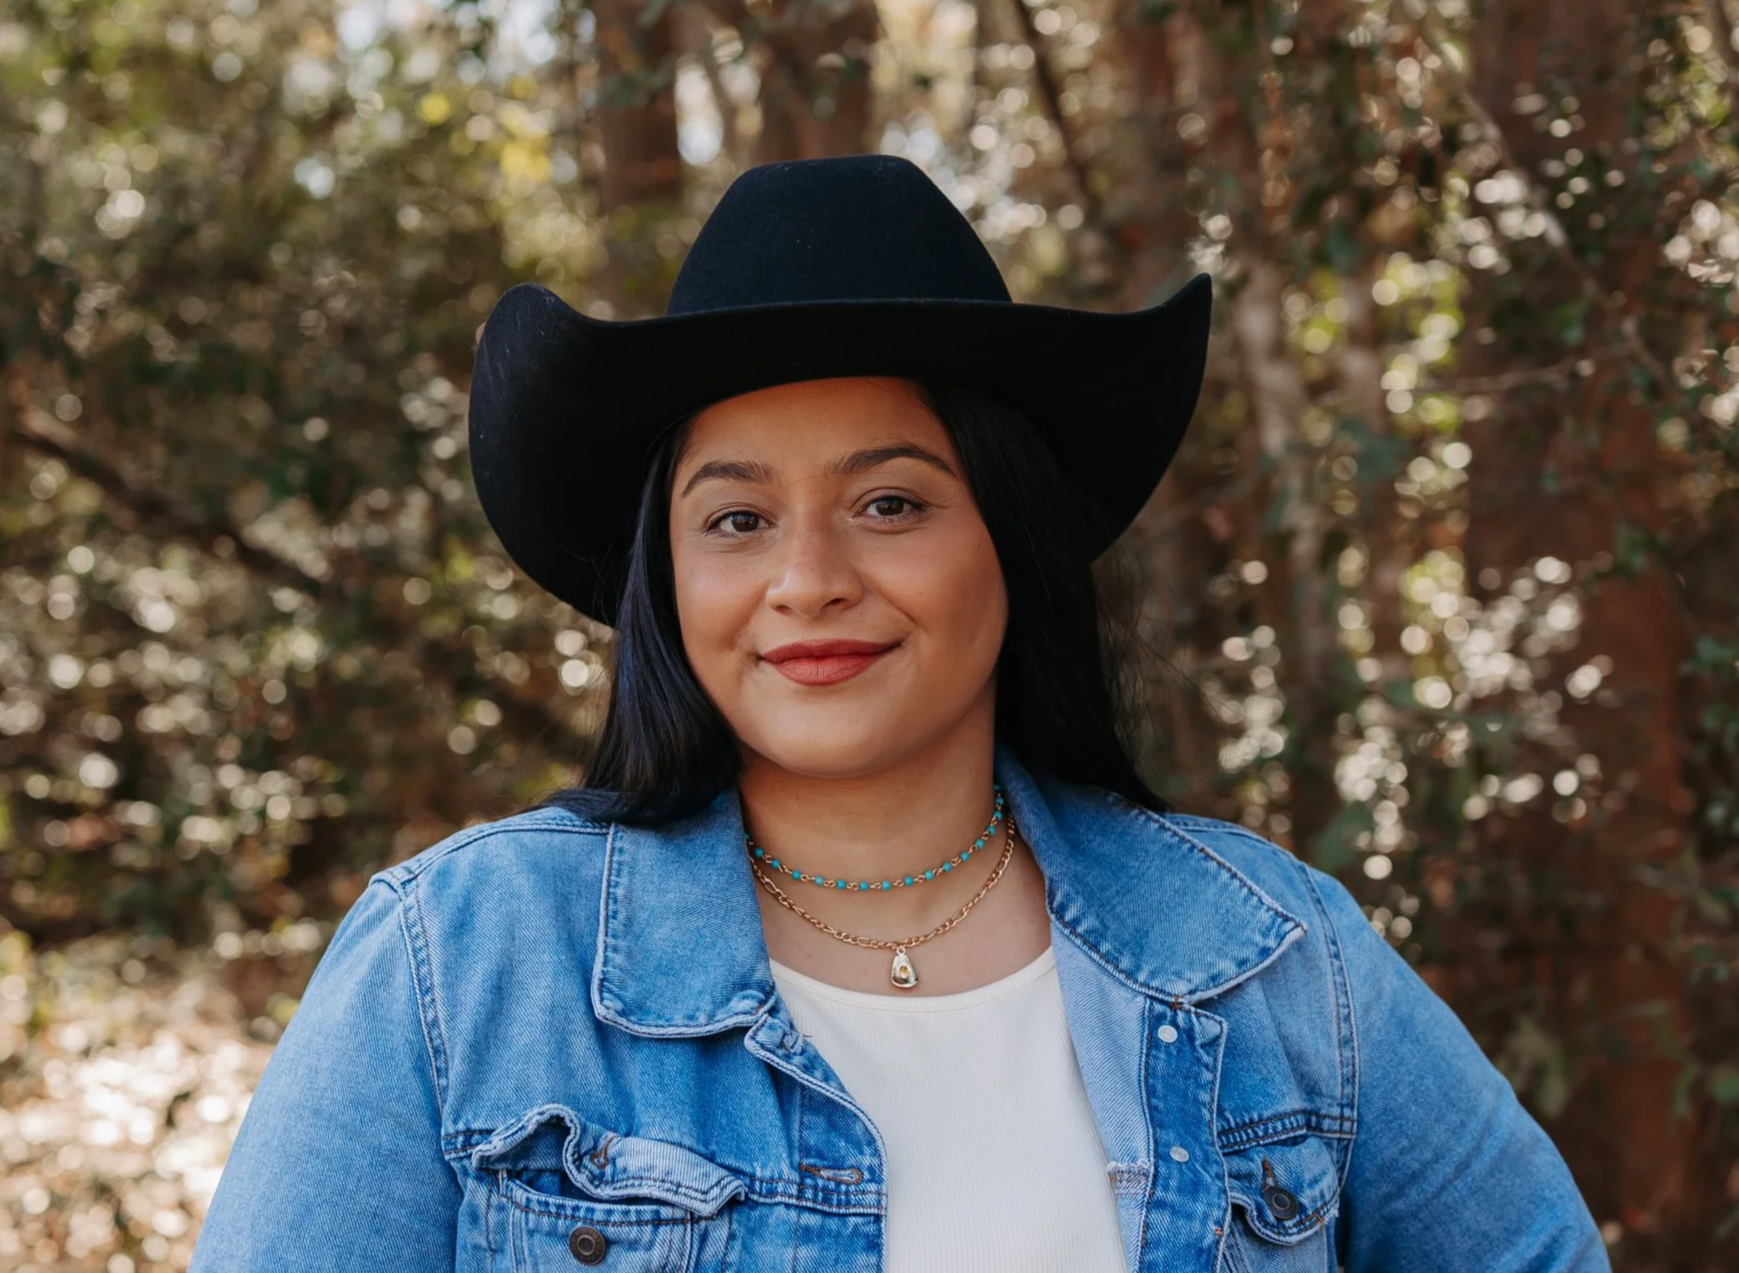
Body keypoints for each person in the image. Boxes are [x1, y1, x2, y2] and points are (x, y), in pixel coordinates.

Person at [189, 155, 1608, 1273]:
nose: (807, 581)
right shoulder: (467, 961)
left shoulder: (1270, 961)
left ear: (1009, 536)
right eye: (735, 517)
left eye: (889, 503)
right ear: (667, 581)